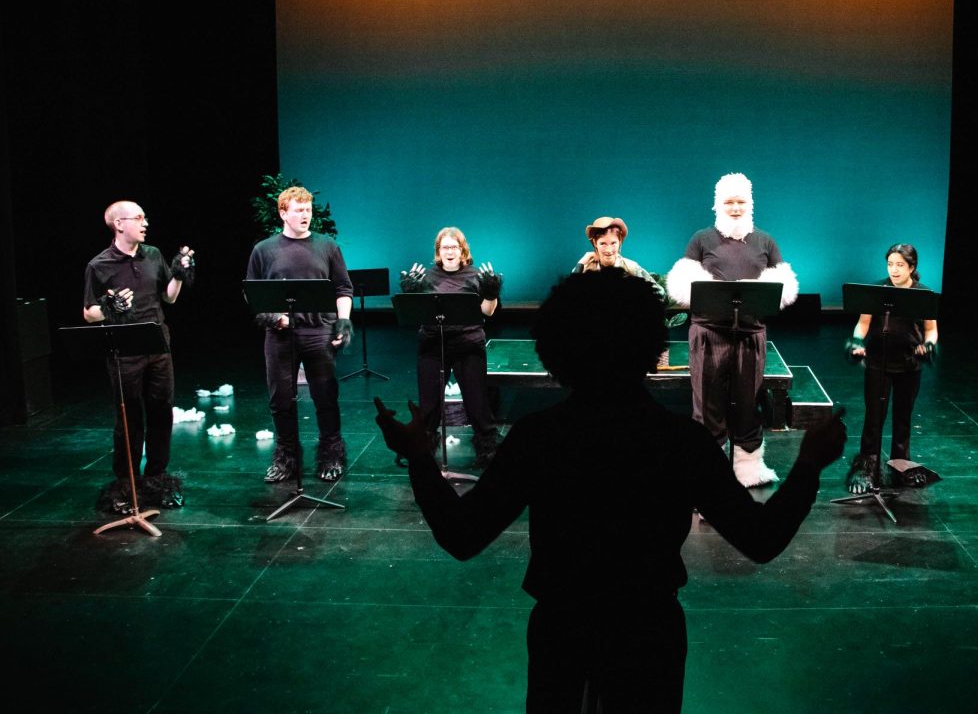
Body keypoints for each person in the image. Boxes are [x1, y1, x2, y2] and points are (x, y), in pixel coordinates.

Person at [374, 270, 847, 713]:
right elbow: (761, 539)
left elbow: (462, 535)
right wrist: (807, 466)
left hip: (562, 630)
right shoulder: (681, 441)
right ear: (648, 346)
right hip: (650, 631)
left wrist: (419, 457)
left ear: (556, 350)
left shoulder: (539, 437)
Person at [666, 173, 798, 487]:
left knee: (748, 402)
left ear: (749, 204)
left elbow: (784, 286)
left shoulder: (764, 240)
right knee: (707, 405)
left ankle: (748, 470)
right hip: (709, 335)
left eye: (741, 202)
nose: (735, 208)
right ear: (718, 205)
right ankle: (707, 473)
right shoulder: (702, 239)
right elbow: (683, 283)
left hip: (750, 336)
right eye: (729, 202)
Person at [83, 200, 194, 512]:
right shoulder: (99, 265)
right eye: (139, 218)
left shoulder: (154, 255)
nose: (145, 223)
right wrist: (109, 307)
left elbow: (168, 298)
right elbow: (88, 313)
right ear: (119, 224)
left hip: (158, 347)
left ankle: (156, 477)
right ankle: (126, 483)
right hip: (125, 351)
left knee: (162, 412)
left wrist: (179, 273)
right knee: (129, 418)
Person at [246, 186, 354, 483]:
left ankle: (332, 454)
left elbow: (343, 288)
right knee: (280, 398)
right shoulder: (264, 250)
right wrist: (274, 318)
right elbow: (252, 295)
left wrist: (343, 322)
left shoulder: (327, 246)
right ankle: (286, 458)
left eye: (308, 210)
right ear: (283, 213)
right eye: (298, 210)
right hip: (280, 333)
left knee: (325, 395)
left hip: (318, 330)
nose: (305, 215)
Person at [399, 226, 502, 467]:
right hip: (433, 344)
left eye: (454, 247)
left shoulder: (476, 275)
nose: (450, 251)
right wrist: (411, 293)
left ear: (463, 250)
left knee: (477, 402)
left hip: (468, 345)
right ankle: (421, 449)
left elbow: (488, 311)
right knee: (429, 405)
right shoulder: (427, 277)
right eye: (445, 247)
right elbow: (414, 315)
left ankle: (488, 448)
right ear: (438, 252)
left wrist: (491, 292)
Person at [843, 244, 939, 492]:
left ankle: (901, 466)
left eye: (900, 265)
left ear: (912, 267)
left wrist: (928, 346)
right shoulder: (877, 290)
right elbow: (862, 324)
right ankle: (866, 468)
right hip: (878, 362)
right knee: (874, 418)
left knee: (903, 419)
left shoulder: (923, 294)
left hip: (909, 365)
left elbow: (931, 330)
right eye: (890, 264)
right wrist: (856, 342)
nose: (894, 270)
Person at [572, 216, 664, 297]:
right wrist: (582, 262)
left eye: (613, 243)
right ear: (595, 243)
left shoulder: (631, 267)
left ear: (620, 242)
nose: (608, 250)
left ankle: (655, 276)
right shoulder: (586, 268)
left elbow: (661, 295)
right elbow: (569, 295)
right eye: (603, 243)